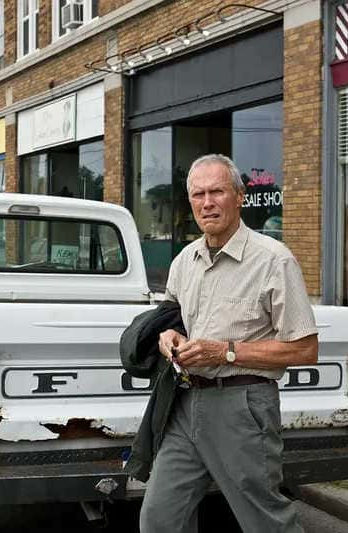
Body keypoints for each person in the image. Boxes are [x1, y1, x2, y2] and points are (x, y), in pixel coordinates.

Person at [140, 154, 318, 533]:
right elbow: (171, 322)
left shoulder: (273, 261)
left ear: (239, 196)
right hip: (185, 403)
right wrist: (167, 339)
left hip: (243, 407)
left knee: (265, 521)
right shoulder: (184, 260)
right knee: (159, 518)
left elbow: (305, 349)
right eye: (198, 194)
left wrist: (225, 351)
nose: (208, 202)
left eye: (217, 191)